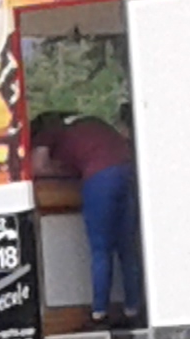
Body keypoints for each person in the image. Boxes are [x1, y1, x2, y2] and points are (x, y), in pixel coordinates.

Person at [30, 111, 142, 327]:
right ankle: (133, 309)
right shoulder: (93, 121)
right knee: (127, 248)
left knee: (101, 248)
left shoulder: (48, 131)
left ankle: (99, 313)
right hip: (127, 171)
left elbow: (39, 166)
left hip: (100, 177)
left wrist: (63, 168)